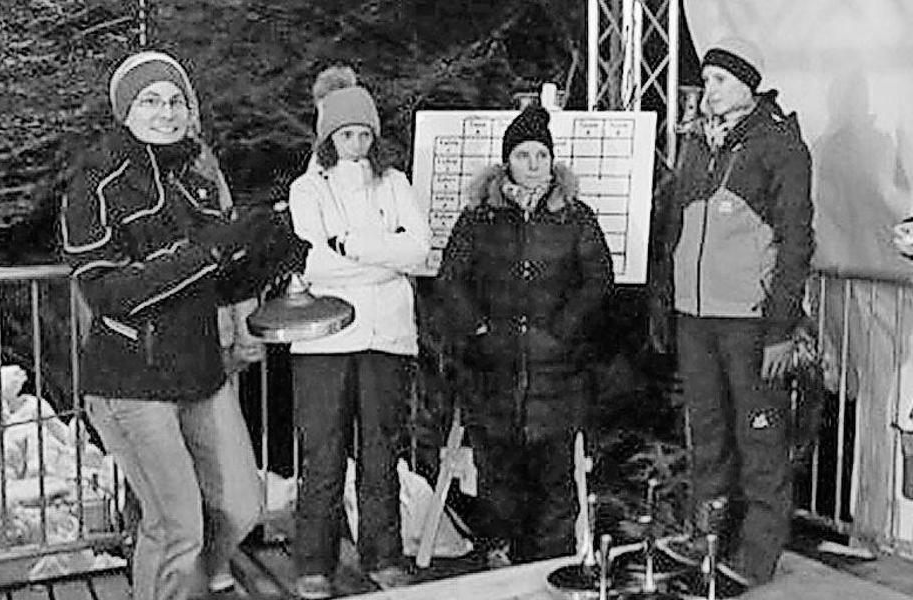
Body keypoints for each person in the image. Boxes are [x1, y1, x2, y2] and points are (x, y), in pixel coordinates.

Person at [60, 51, 307, 600]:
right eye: (150, 100)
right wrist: (213, 249)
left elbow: (216, 283)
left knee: (243, 505)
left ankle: (194, 580)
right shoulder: (95, 184)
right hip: (131, 382)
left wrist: (268, 256)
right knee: (175, 527)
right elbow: (108, 292)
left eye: (175, 100)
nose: (166, 111)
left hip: (200, 370)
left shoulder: (191, 177)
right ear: (125, 110)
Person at [649, 37, 814, 588]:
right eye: (706, 80)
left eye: (719, 79)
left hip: (749, 320)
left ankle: (757, 554)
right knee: (708, 432)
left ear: (747, 82)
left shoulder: (779, 146)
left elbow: (795, 242)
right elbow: (674, 230)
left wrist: (780, 329)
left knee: (759, 435)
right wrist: (665, 302)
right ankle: (708, 536)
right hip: (696, 316)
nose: (707, 90)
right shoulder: (696, 146)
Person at [436, 105, 614, 566]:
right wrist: (478, 328)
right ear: (506, 162)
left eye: (541, 155)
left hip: (558, 372)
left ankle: (552, 567)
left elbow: (598, 279)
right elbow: (450, 279)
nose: (534, 164)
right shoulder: (478, 218)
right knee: (497, 473)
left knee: (556, 477)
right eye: (523, 155)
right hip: (491, 371)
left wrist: (563, 330)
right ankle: (500, 557)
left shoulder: (576, 218)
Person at [287, 82, 431, 599]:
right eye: (345, 134)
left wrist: (351, 248)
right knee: (322, 455)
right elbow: (311, 261)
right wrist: (381, 259)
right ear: (329, 136)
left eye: (363, 133)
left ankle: (384, 555)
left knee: (381, 451)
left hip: (387, 337)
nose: (356, 143)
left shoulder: (395, 182)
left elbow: (419, 250)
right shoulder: (307, 189)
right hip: (321, 340)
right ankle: (313, 564)